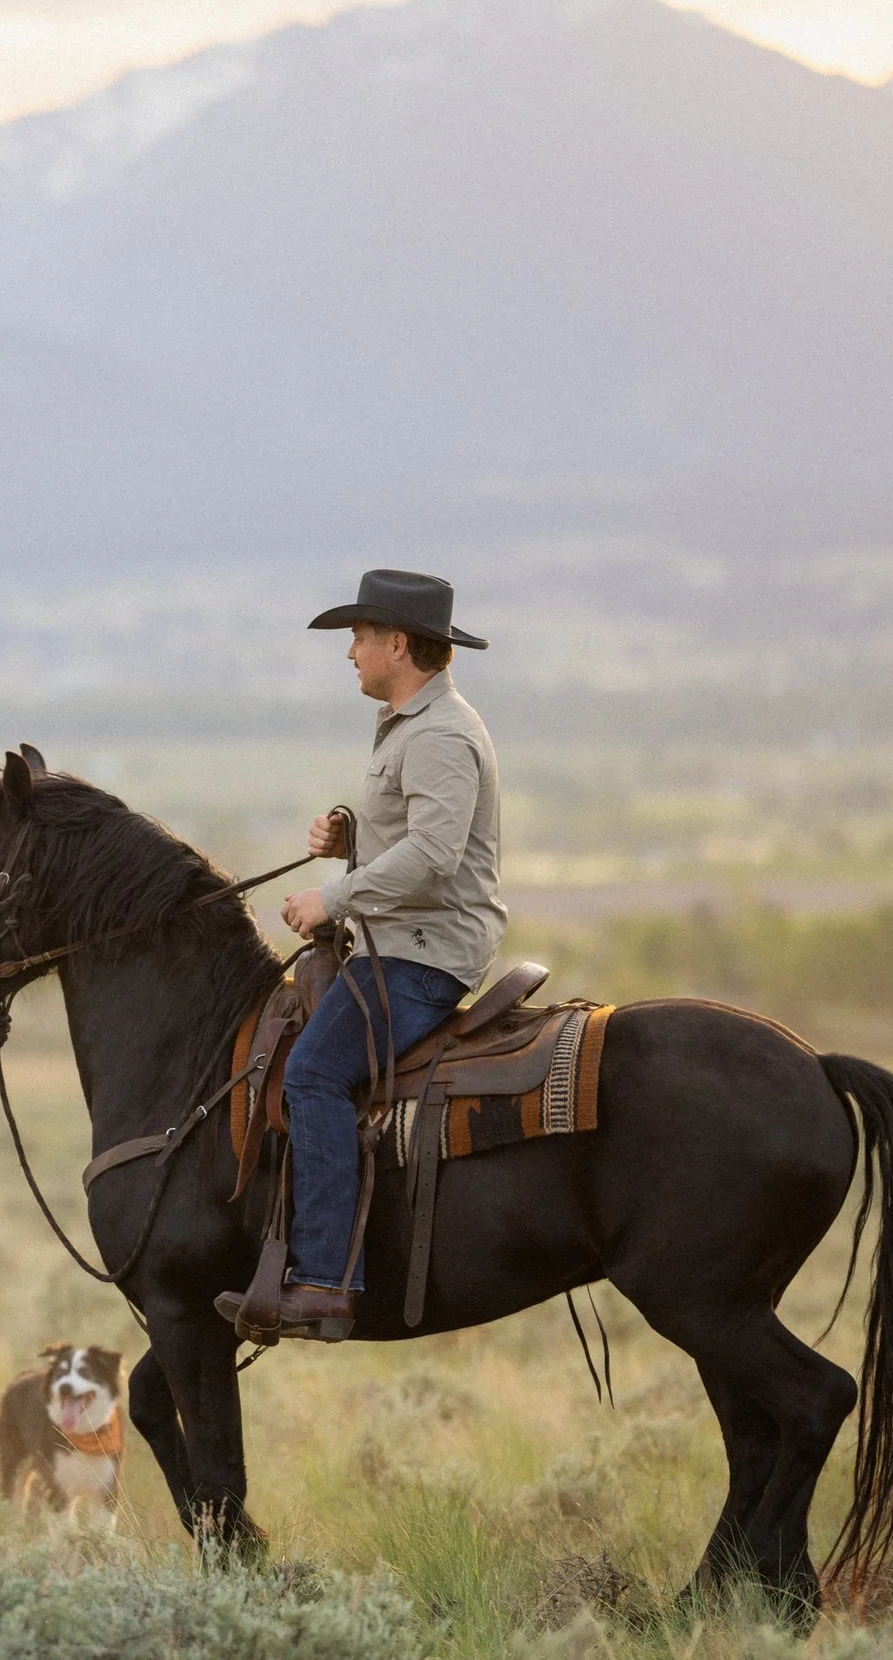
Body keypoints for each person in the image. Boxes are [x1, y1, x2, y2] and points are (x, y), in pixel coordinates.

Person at [249, 569, 506, 1341]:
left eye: (361, 636)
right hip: (403, 939)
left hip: (424, 953)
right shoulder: (410, 724)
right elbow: (410, 828)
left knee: (316, 1073)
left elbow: (433, 853)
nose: (351, 652)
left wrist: (334, 897)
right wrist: (349, 829)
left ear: (399, 643)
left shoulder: (438, 735)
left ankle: (327, 1279)